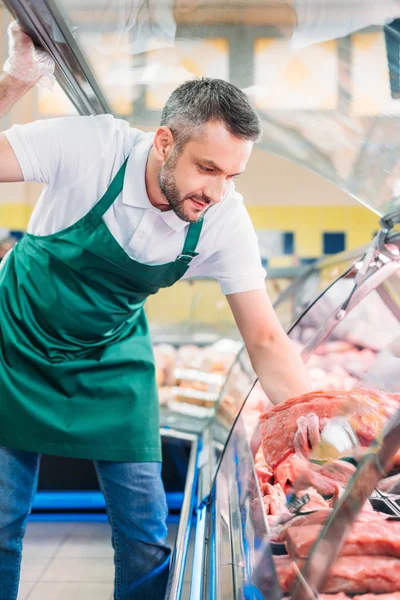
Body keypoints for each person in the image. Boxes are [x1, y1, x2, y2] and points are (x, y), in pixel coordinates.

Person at [0, 22, 310, 600]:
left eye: (232, 175)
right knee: (1, 521)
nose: (216, 192)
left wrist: (308, 416)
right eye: (208, 169)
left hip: (112, 353)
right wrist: (17, 79)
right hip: (12, 343)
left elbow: (266, 337)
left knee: (145, 533)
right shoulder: (93, 147)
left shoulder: (223, 215)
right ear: (164, 141)